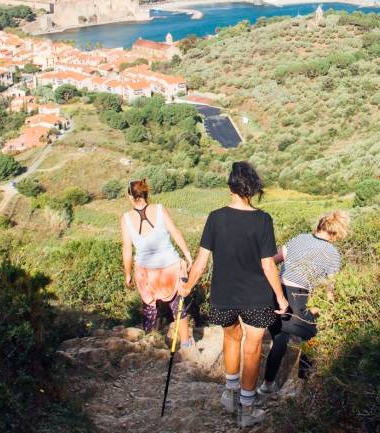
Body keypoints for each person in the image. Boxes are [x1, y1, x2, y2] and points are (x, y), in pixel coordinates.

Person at [179, 162, 286, 427]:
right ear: (253, 188)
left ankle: (230, 393)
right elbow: (267, 264)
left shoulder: (216, 217)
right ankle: (246, 410)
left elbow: (202, 260)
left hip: (223, 293)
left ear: (230, 186)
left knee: (231, 337)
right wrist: (281, 298)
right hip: (256, 295)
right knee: (252, 347)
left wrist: (188, 286)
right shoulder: (263, 219)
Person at [258, 211, 349, 396]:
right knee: (312, 338)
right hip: (301, 297)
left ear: (320, 225)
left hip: (277, 293)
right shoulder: (332, 253)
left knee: (280, 339)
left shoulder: (299, 238)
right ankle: (303, 386)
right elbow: (329, 290)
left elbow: (273, 260)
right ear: (336, 233)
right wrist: (330, 310)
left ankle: (267, 384)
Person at [121, 178, 194, 347]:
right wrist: (188, 254)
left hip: (146, 272)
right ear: (146, 193)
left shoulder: (125, 219)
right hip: (171, 268)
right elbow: (175, 232)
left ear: (130, 197)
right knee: (178, 306)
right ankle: (186, 343)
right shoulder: (160, 209)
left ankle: (150, 343)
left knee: (149, 307)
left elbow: (127, 249)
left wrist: (127, 274)